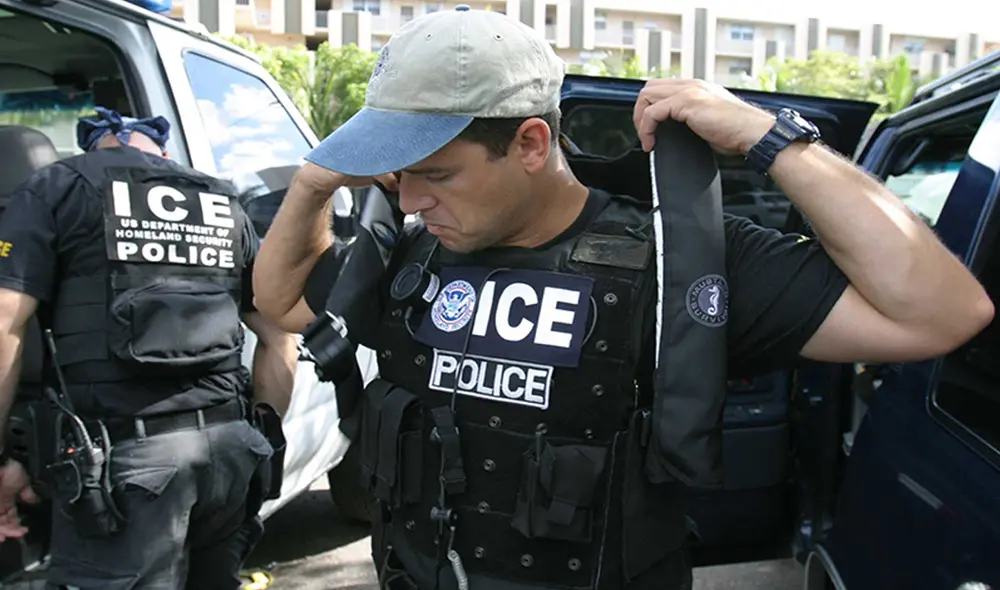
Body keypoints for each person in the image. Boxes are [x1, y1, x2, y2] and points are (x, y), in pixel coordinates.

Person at [253, 7, 994, 590]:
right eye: (399, 174)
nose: (409, 199)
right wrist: (322, 178)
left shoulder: (679, 255)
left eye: (436, 174)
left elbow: (942, 312)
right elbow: (283, 305)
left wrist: (775, 142)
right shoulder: (415, 250)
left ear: (533, 144)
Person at [0, 108, 299, 589]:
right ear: (161, 151)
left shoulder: (57, 186)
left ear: (95, 149)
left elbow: (4, 323)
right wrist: (259, 438)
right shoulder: (222, 199)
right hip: (228, 457)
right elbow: (280, 335)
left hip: (127, 472)